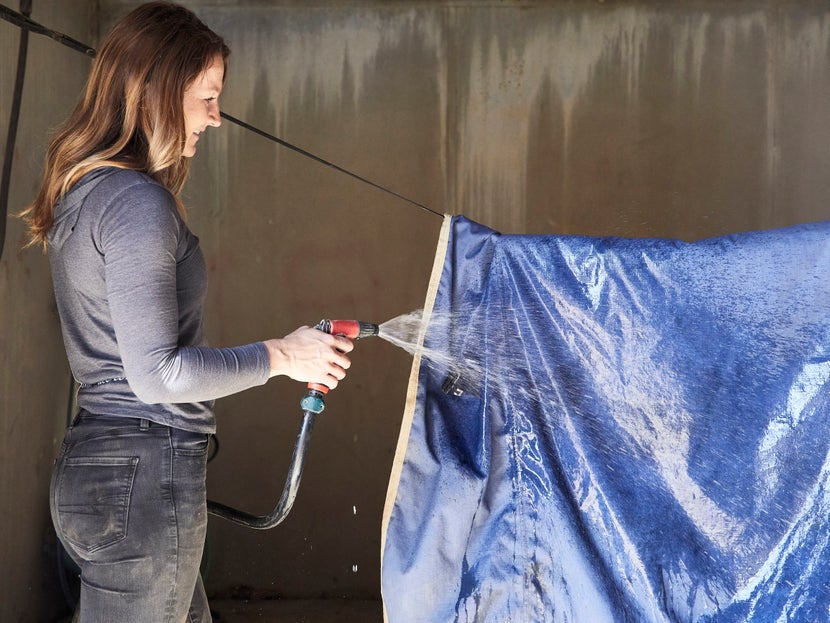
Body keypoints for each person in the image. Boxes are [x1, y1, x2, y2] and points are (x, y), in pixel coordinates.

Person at [19, 2, 354, 621]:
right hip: (143, 474)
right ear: (154, 91)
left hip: (102, 465)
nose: (217, 118)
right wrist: (283, 355)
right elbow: (158, 376)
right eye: (207, 97)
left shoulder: (87, 192)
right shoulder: (134, 203)